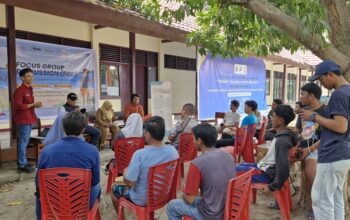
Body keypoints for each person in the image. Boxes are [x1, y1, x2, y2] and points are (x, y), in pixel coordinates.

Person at [299, 60, 350, 220]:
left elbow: (340, 126)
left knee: (321, 199)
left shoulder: (339, 94)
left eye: (321, 79)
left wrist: (314, 117)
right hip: (342, 153)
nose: (322, 84)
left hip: (333, 155)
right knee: (334, 199)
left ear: (331, 74)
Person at [35, 111, 100, 220]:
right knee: (97, 185)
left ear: (64, 128)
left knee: (39, 192)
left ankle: (42, 216)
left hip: (53, 204)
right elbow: (95, 180)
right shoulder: (92, 151)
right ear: (83, 129)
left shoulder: (46, 151)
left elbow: (38, 181)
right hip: (81, 205)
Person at [167, 123, 235, 220]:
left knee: (172, 206)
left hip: (210, 215)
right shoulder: (228, 155)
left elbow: (189, 200)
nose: (193, 141)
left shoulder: (197, 163)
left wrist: (184, 193)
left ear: (199, 141)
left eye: (194, 138)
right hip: (227, 209)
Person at [236, 104, 297, 208]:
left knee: (231, 172)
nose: (271, 118)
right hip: (263, 168)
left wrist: (272, 186)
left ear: (281, 120)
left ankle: (232, 205)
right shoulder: (283, 136)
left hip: (265, 174)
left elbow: (283, 168)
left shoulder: (281, 141)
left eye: (273, 116)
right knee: (236, 167)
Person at [111, 116, 178, 210]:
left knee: (114, 188)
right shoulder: (173, 152)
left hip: (142, 199)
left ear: (148, 134)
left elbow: (130, 182)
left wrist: (126, 173)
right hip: (164, 195)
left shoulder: (140, 155)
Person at [295, 83, 326, 218]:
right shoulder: (304, 110)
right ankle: (281, 197)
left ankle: (314, 206)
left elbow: (327, 137)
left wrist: (309, 150)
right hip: (304, 146)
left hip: (318, 148)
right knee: (279, 161)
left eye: (303, 94)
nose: (300, 96)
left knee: (310, 173)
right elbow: (300, 132)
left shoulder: (326, 111)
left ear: (312, 95)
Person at [14, 68, 42, 172]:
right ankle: (22, 165)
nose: (31, 78)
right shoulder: (19, 90)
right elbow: (18, 106)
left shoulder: (30, 89)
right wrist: (33, 104)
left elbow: (29, 105)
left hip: (30, 118)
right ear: (22, 78)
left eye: (32, 76)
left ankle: (24, 162)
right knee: (23, 142)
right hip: (23, 120)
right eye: (28, 76)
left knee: (24, 142)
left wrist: (36, 105)